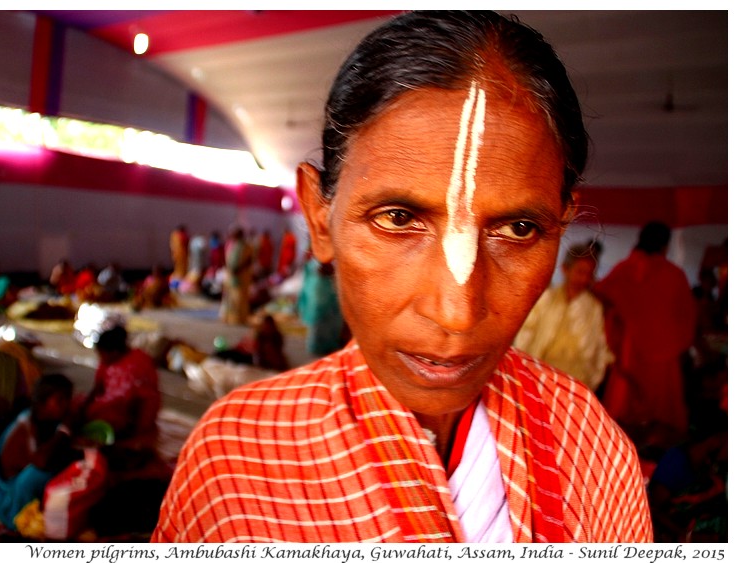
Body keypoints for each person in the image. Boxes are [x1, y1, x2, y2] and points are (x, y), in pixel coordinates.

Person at [152, 11, 651, 543]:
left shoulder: (592, 447)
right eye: (398, 218)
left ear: (563, 223)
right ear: (320, 217)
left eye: (520, 228)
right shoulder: (237, 459)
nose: (456, 313)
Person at [594, 221, 696, 447]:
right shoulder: (675, 275)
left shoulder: (624, 269)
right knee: (663, 418)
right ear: (664, 245)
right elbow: (687, 317)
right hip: (664, 361)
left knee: (621, 419)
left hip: (630, 355)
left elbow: (601, 295)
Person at [513, 240, 612, 392]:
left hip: (576, 382)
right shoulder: (546, 298)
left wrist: (594, 381)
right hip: (539, 376)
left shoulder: (593, 308)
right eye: (580, 272)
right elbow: (526, 335)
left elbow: (598, 348)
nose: (584, 279)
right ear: (566, 269)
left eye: (589, 274)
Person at [0, 373, 78, 531]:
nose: (66, 405)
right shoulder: (25, 428)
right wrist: (64, 431)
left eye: (68, 399)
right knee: (38, 474)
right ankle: (25, 520)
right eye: (60, 400)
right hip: (9, 503)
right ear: (42, 401)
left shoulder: (45, 419)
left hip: (24, 493)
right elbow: (41, 462)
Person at [76, 325, 162, 469]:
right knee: (77, 403)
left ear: (115, 352)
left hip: (135, 413)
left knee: (131, 440)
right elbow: (97, 387)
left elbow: (146, 401)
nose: (101, 358)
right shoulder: (106, 362)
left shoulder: (140, 363)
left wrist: (135, 428)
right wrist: (84, 407)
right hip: (111, 406)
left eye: (103, 354)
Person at [297, 254, 346, 356]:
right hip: (322, 292)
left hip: (325, 293)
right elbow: (324, 268)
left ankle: (324, 346)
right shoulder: (320, 259)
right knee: (321, 320)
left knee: (326, 321)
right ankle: (320, 347)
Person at [219, 225, 254, 325]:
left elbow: (249, 261)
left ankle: (239, 319)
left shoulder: (246, 246)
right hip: (231, 276)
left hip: (241, 276)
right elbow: (227, 259)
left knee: (239, 298)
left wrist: (238, 269)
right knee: (230, 298)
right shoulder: (232, 245)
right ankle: (229, 318)